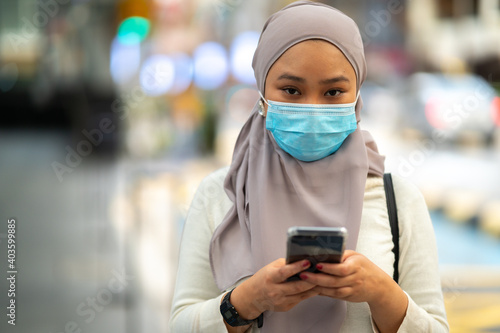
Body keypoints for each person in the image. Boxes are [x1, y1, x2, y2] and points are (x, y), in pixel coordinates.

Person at [169, 1, 449, 332]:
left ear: (356, 96)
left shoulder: (397, 201)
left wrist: (381, 293)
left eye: (333, 91)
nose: (313, 108)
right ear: (262, 93)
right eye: (291, 90)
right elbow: (180, 325)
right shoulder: (222, 195)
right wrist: (247, 300)